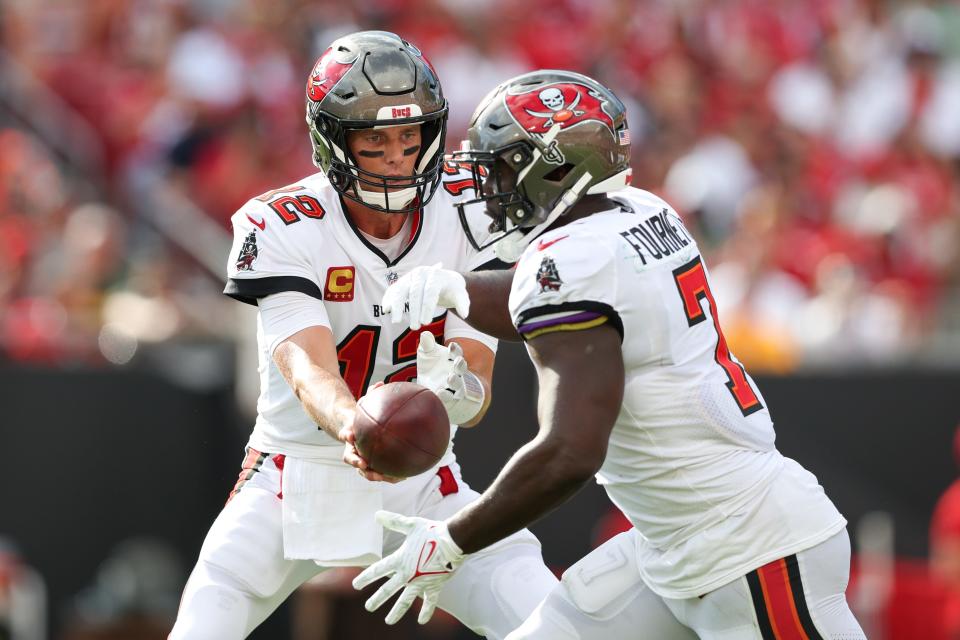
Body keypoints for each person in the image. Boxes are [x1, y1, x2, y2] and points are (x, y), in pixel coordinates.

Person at [355, 69, 867, 639]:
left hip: (751, 549)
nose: (488, 187)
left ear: (552, 168)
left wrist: (453, 539)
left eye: (501, 167)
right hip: (677, 543)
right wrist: (459, 289)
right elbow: (555, 300)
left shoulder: (577, 262)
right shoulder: (640, 211)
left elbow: (570, 452)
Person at [168, 32, 557, 639]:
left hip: (424, 481)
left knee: (548, 615)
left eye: (410, 136)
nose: (398, 155)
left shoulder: (471, 209)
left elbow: (477, 383)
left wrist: (455, 391)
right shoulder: (283, 223)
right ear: (333, 139)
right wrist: (358, 427)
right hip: (292, 474)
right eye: (374, 139)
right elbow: (306, 366)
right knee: (202, 625)